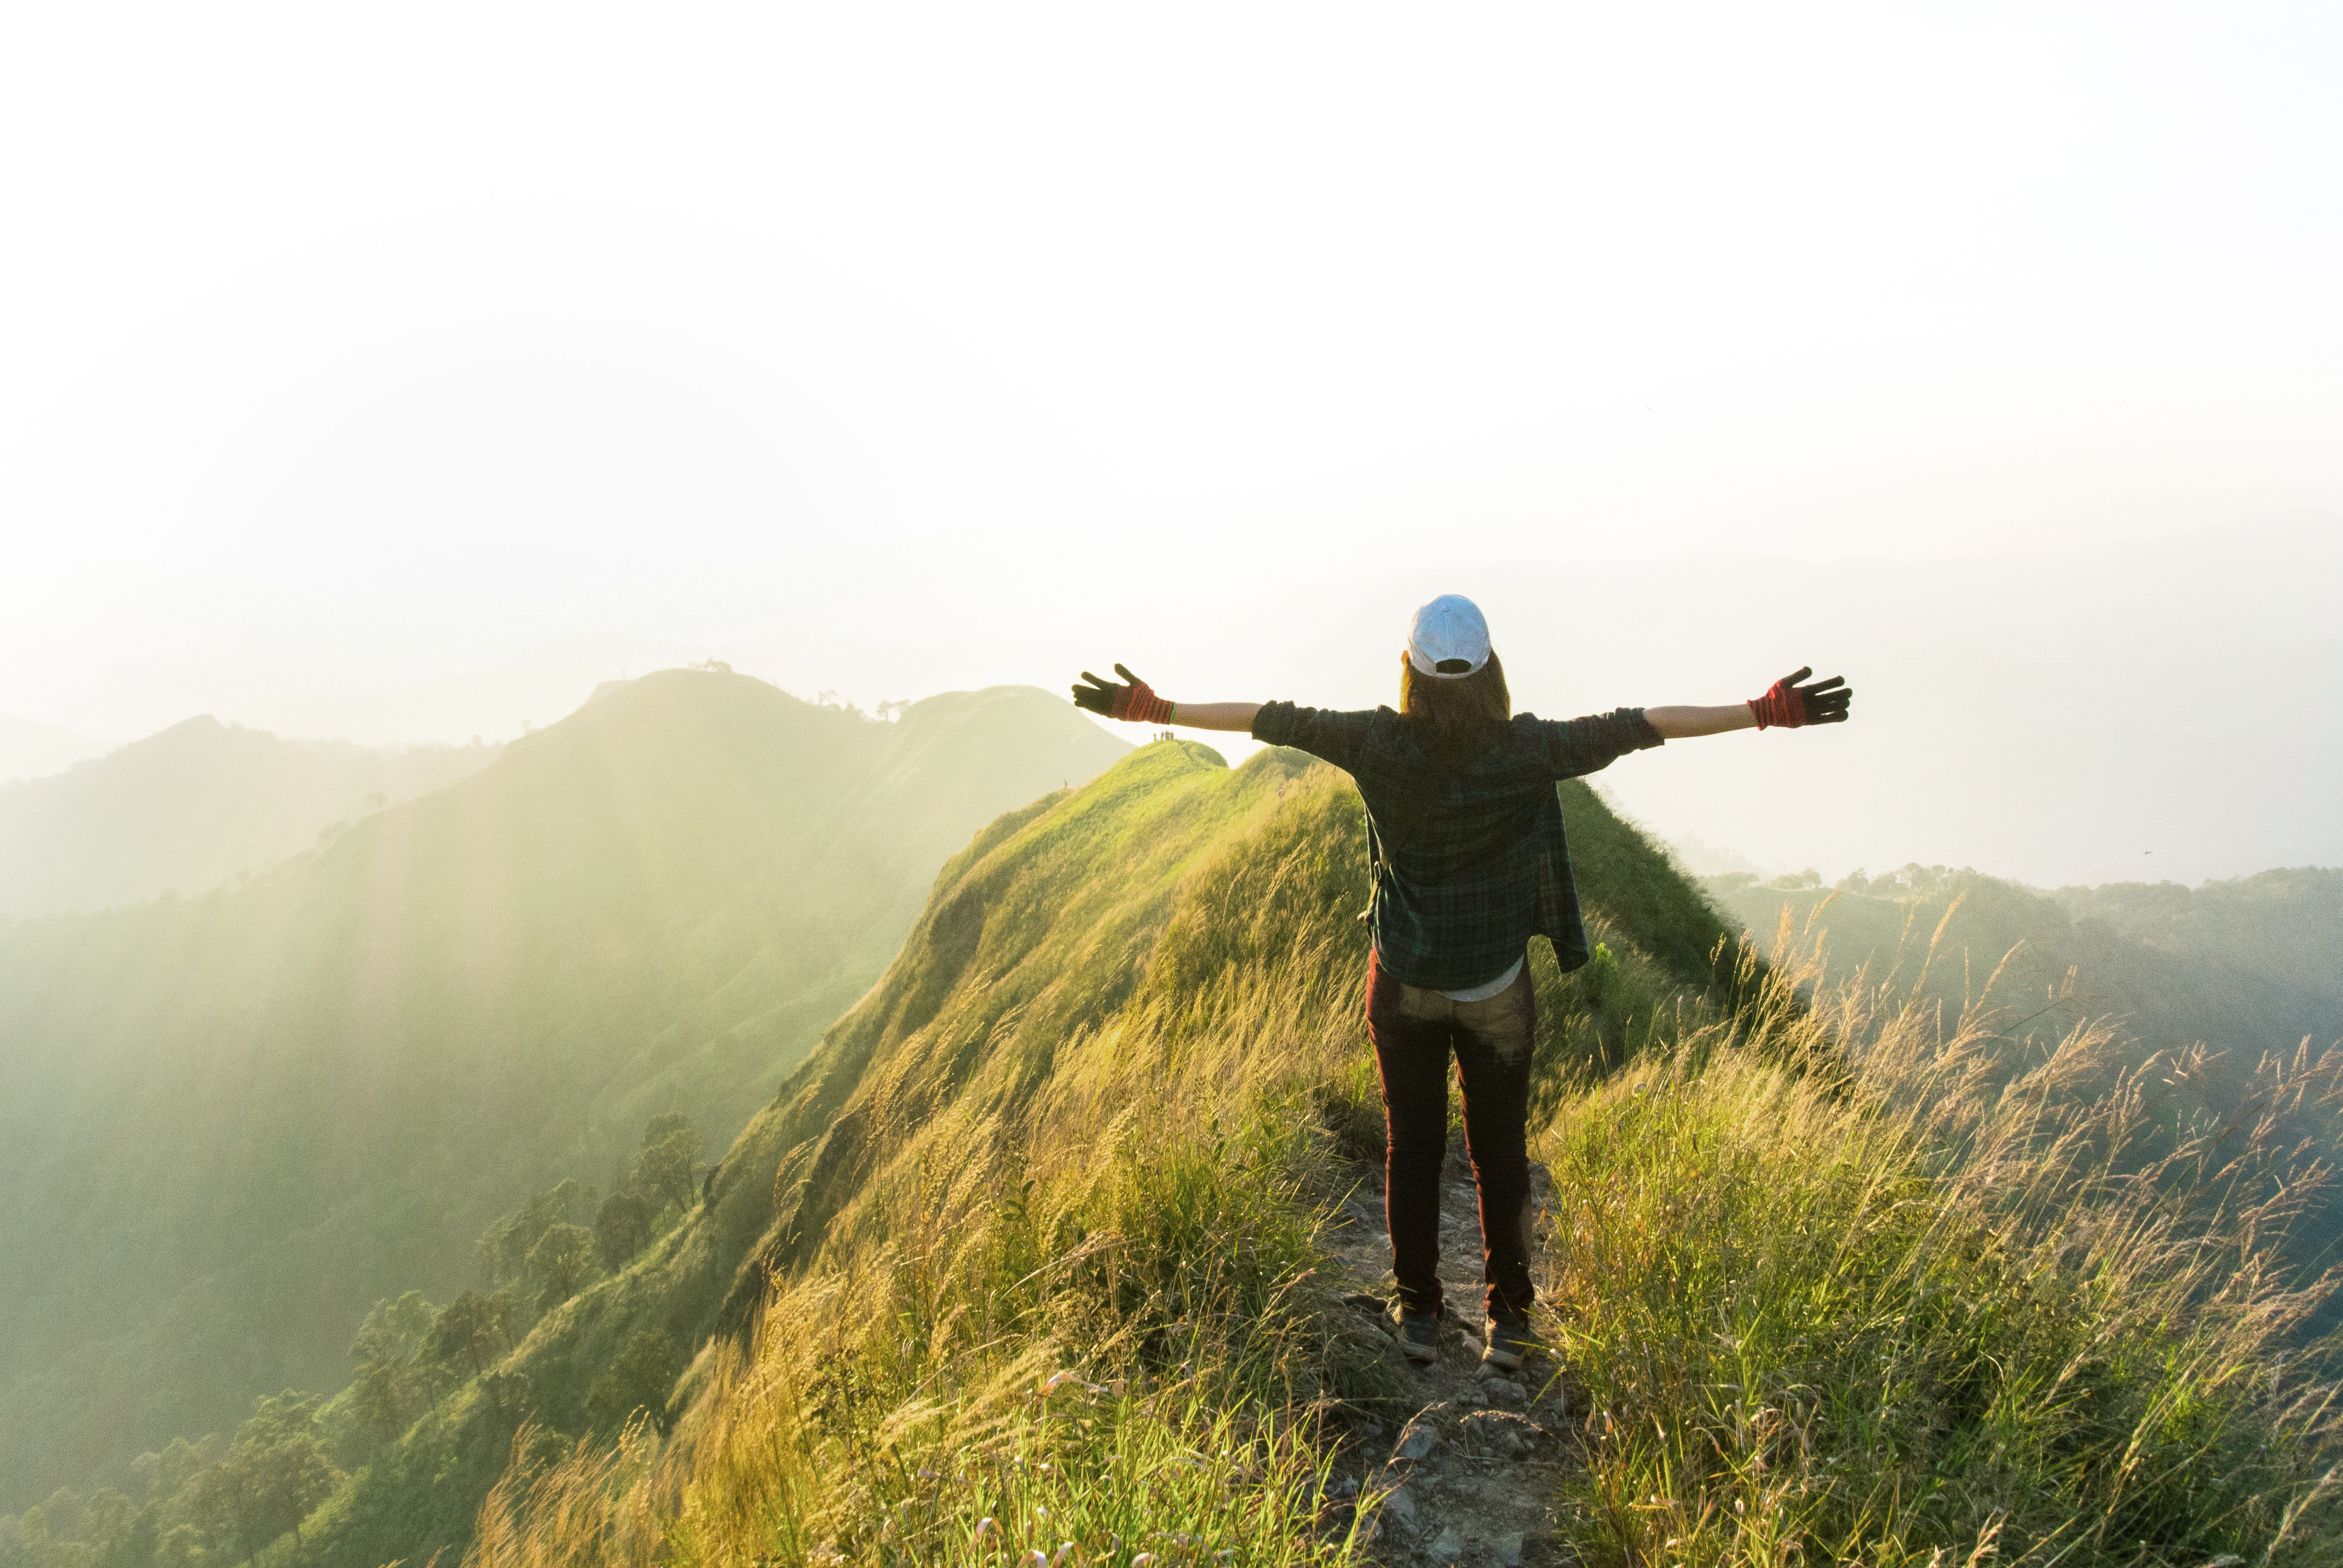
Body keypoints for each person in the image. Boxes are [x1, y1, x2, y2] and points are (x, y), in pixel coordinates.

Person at [1070, 594, 1852, 1371]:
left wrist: (1156, 706)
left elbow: (1262, 717)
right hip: (1494, 988)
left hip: (1405, 982)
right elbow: (1645, 724)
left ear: (1408, 669)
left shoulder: (1373, 742)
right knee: (1500, 1154)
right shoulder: (1529, 751)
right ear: (1491, 672)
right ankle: (1510, 1323)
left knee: (1412, 1148)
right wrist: (1761, 711)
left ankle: (1418, 1313)